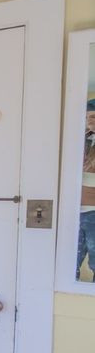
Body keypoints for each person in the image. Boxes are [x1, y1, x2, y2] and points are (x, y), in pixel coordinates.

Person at [78, 98, 95, 280]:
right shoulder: (81, 139)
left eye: (94, 117)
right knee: (70, 261)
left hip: (93, 212)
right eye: (87, 116)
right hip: (75, 212)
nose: (90, 121)